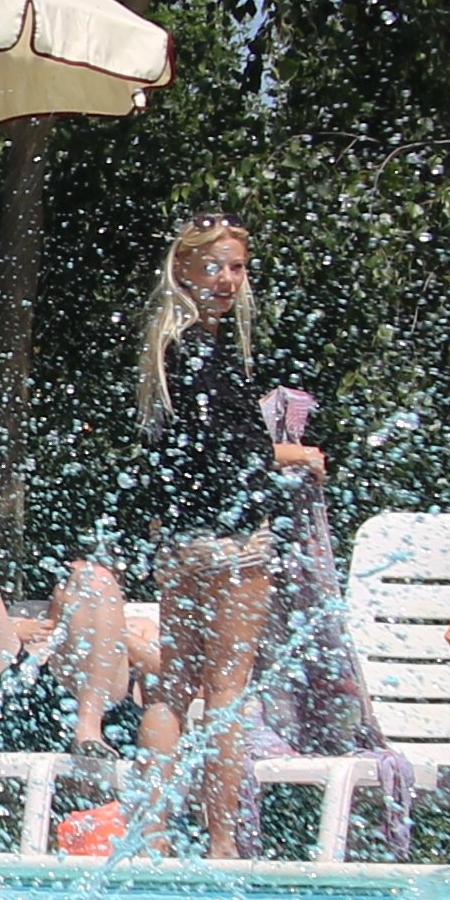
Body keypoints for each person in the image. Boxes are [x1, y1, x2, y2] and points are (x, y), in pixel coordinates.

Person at [123, 216, 328, 853]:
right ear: (183, 270)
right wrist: (298, 456)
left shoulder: (164, 349)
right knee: (227, 692)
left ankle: (152, 835)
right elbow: (235, 455)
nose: (228, 279)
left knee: (171, 690)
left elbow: (170, 459)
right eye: (214, 266)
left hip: (179, 546)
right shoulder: (207, 351)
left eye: (237, 267)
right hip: (235, 546)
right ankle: (222, 843)